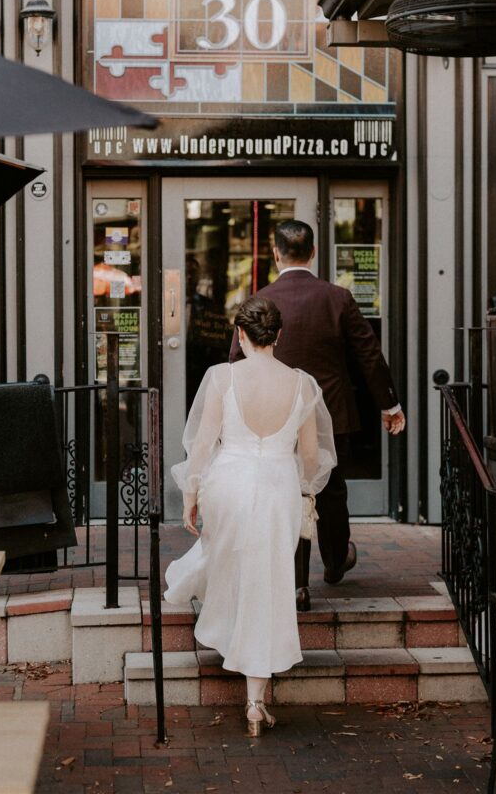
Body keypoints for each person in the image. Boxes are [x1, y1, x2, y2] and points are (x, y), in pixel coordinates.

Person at [165, 295, 336, 735]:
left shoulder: (221, 377)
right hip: (279, 486)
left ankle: (228, 635)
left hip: (230, 483)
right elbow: (314, 459)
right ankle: (255, 700)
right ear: (278, 336)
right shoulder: (302, 384)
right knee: (269, 582)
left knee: (232, 563)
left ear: (240, 335)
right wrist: (301, 488)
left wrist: (191, 493)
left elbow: (202, 443)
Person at [229, 220, 405, 612]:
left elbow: (236, 361)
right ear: (313, 253)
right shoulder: (338, 298)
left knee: (286, 493)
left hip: (273, 415)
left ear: (275, 254)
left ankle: (296, 585)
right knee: (330, 489)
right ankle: (335, 559)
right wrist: (389, 405)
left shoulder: (259, 299)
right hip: (329, 413)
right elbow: (369, 356)